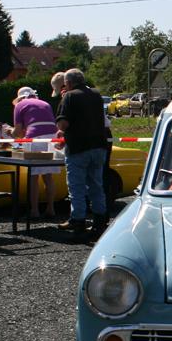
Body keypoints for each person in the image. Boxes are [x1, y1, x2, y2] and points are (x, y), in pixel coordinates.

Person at [55, 68, 108, 237]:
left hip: (78, 148)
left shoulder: (69, 96)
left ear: (68, 83)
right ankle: (100, 221)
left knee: (76, 187)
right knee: (96, 185)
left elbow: (62, 124)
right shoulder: (96, 95)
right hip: (99, 146)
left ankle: (77, 220)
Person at [11, 86, 58, 218]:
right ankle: (51, 208)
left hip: (35, 138)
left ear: (20, 98)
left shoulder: (19, 105)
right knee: (48, 175)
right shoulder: (45, 103)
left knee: (33, 176)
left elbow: (18, 131)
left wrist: (10, 132)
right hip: (52, 137)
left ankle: (34, 210)